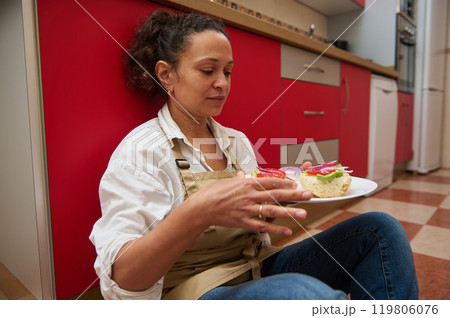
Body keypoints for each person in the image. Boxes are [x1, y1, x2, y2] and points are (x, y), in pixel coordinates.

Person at [89, 10, 418, 300]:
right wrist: (197, 212)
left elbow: (256, 228)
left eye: (228, 71)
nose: (222, 83)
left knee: (380, 230)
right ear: (167, 75)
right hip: (196, 290)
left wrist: (279, 198)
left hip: (257, 266)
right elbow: (125, 278)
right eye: (208, 71)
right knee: (308, 297)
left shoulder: (237, 142)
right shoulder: (142, 151)